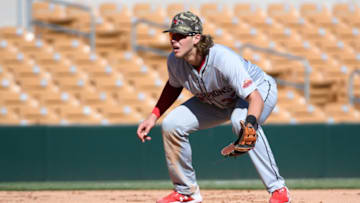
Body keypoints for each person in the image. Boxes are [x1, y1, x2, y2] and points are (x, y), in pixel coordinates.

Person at [136, 11, 291, 203]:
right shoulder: (174, 62)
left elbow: (255, 98)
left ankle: (278, 190)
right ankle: (186, 192)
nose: (174, 41)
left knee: (241, 122)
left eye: (180, 36)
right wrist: (153, 116)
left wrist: (250, 124)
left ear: (196, 38)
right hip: (216, 100)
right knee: (172, 125)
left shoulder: (221, 58)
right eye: (171, 36)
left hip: (258, 90)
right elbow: (173, 86)